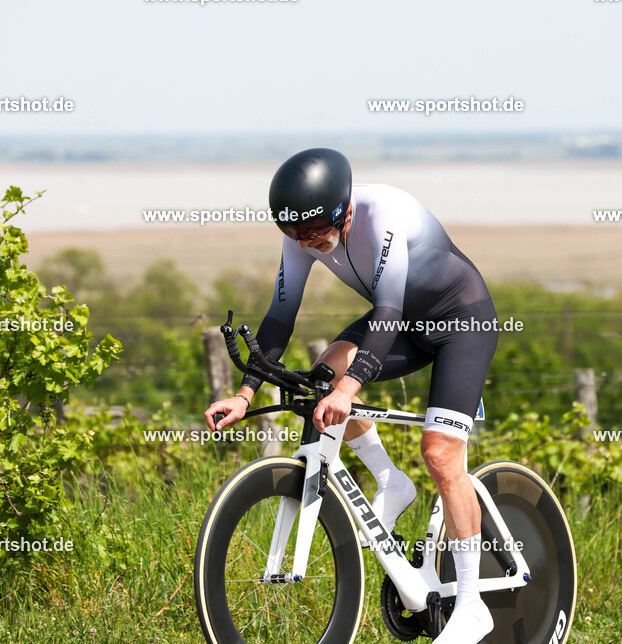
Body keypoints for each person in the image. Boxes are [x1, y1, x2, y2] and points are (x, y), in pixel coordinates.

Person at [204, 148, 498, 643]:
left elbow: (386, 311)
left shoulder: (382, 213)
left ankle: (472, 607)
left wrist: (351, 386)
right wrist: (246, 393)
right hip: (403, 322)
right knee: (323, 375)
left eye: (317, 228)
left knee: (441, 455)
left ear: (343, 209)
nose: (308, 242)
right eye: (295, 232)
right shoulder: (301, 237)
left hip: (459, 321)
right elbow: (279, 317)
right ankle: (390, 480)